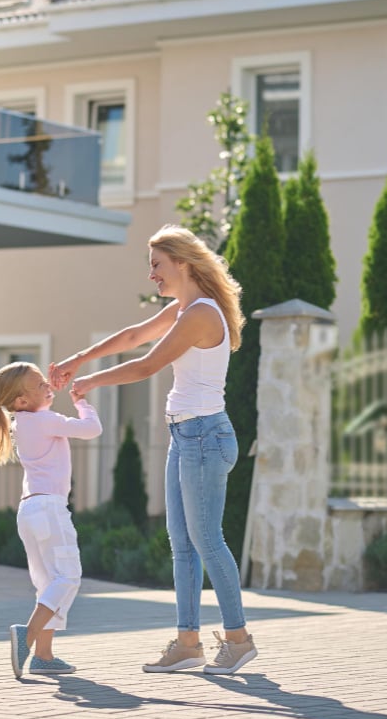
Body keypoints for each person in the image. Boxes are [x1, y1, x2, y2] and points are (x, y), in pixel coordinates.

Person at [50, 224, 258, 675]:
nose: (152, 276)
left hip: (205, 436)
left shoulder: (201, 314)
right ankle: (187, 643)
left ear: (182, 263)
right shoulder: (186, 308)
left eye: (157, 265)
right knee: (181, 545)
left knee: (207, 540)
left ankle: (238, 639)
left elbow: (147, 364)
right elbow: (131, 337)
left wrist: (90, 382)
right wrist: (76, 360)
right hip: (186, 436)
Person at [0, 361, 102, 679]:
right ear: (21, 401)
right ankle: (28, 637)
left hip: (30, 511)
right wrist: (82, 403)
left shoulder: (22, 422)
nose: (47, 387)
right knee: (68, 578)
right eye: (39, 385)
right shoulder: (43, 420)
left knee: (48, 584)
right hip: (50, 510)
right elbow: (92, 430)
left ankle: (44, 656)